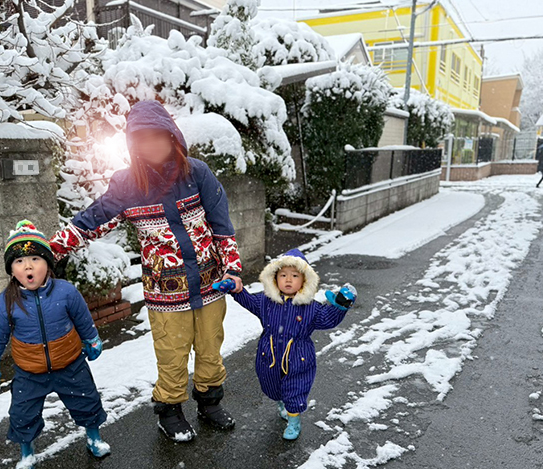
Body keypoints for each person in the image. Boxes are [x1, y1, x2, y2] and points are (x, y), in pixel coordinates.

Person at [48, 100, 242, 443]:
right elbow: (91, 221)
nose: (152, 144)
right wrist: (49, 250)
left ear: (172, 136)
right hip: (166, 293)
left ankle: (210, 403)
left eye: (158, 136)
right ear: (133, 144)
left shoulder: (196, 173)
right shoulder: (128, 184)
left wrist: (233, 268)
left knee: (211, 348)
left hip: (211, 283)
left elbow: (221, 226)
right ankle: (169, 411)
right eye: (142, 139)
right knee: (172, 354)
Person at [0, 220, 109, 469]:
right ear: (12, 270)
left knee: (87, 401)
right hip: (30, 370)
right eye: (19, 261)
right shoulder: (6, 302)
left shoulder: (66, 292)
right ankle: (26, 451)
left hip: (70, 363)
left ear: (48, 263)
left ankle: (94, 437)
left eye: (35, 258)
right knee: (22, 413)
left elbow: (82, 319)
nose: (28, 266)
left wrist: (92, 340)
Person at [213, 249, 355, 440]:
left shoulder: (311, 307)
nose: (288, 280)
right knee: (271, 384)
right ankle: (282, 402)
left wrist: (339, 307)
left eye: (295, 275)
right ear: (274, 278)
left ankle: (294, 420)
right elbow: (248, 300)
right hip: (268, 354)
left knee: (295, 389)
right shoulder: (266, 301)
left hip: (299, 356)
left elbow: (327, 319)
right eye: (283, 275)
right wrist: (235, 290)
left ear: (304, 280)